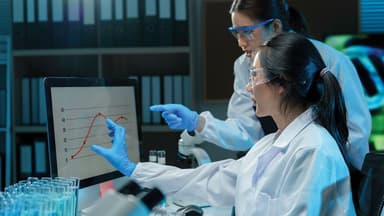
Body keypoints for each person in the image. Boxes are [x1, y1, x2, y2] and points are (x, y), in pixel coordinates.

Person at [92, 33, 356, 215]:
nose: (248, 86)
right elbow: (208, 180)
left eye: (254, 76)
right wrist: (132, 168)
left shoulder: (313, 151)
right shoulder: (270, 145)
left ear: (282, 84)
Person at [150, 0, 371, 170]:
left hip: (328, 174)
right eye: (235, 33)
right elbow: (246, 130)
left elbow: (356, 135)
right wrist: (196, 122)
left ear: (275, 26)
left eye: (247, 32)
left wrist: (329, 175)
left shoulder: (332, 60)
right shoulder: (244, 64)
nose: (240, 42)